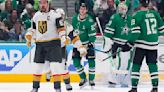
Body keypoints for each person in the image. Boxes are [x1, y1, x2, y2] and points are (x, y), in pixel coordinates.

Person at [25, 0, 69, 92]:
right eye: (41, 3)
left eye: (44, 3)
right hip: (40, 45)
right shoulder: (36, 16)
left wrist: (63, 38)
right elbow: (33, 29)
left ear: (48, 4)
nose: (42, 5)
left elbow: (61, 29)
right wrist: (29, 37)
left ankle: (57, 88)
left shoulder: (55, 15)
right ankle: (35, 88)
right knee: (38, 68)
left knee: (55, 67)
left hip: (53, 44)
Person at [128, 0, 164, 92]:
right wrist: (153, 36)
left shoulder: (137, 15)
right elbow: (161, 29)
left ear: (140, 4)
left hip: (141, 45)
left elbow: (136, 32)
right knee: (153, 66)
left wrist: (130, 43)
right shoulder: (155, 14)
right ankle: (155, 87)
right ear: (148, 4)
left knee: (136, 65)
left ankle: (134, 88)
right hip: (153, 45)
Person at [104, 2, 133, 87]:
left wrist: (131, 42)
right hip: (116, 44)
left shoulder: (131, 19)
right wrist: (107, 43)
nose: (122, 10)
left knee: (126, 63)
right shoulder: (114, 17)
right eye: (120, 8)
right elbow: (108, 33)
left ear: (127, 9)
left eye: (124, 9)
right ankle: (112, 79)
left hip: (126, 44)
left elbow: (134, 32)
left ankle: (125, 80)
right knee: (115, 63)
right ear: (118, 9)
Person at [44, 8, 73, 91]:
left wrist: (69, 40)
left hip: (61, 49)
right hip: (51, 48)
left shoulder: (67, 26)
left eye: (62, 16)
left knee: (63, 68)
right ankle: (57, 86)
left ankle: (67, 83)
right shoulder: (50, 24)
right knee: (52, 67)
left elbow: (73, 35)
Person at [71, 3, 97, 89]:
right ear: (79, 10)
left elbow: (92, 34)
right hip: (77, 44)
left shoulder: (90, 20)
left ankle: (91, 80)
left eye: (84, 9)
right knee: (76, 62)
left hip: (87, 44)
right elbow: (72, 32)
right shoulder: (74, 19)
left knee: (91, 62)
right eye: (81, 9)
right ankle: (83, 78)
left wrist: (90, 42)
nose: (82, 10)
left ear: (86, 10)